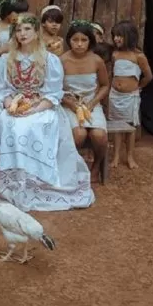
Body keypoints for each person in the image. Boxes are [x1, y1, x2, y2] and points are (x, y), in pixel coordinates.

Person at [0, 13, 94, 211]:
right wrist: (12, 105)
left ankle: (38, 184)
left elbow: (53, 93)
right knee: (9, 123)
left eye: (27, 29)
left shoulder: (49, 59)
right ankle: (14, 187)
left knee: (37, 124)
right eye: (18, 30)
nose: (22, 34)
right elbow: (2, 90)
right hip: (15, 106)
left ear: (36, 32)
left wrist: (34, 109)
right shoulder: (5, 60)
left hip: (41, 105)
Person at [60, 20, 110, 183]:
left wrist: (93, 102)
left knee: (99, 135)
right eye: (75, 40)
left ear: (90, 41)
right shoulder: (62, 60)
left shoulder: (96, 60)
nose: (79, 44)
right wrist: (70, 104)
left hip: (91, 104)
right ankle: (70, 166)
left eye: (84, 40)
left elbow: (104, 85)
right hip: (69, 104)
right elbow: (54, 89)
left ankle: (95, 167)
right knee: (79, 134)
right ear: (69, 41)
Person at [109, 20, 153, 169]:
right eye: (114, 35)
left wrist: (138, 87)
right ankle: (115, 156)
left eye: (120, 35)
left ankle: (129, 156)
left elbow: (148, 76)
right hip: (115, 95)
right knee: (116, 126)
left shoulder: (138, 56)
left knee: (129, 127)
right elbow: (112, 74)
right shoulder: (115, 54)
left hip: (130, 97)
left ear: (130, 36)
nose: (116, 39)